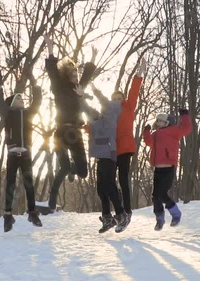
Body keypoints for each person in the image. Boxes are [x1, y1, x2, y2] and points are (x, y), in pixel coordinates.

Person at [43, 34, 97, 212]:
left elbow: (87, 76)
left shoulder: (78, 88)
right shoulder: (59, 86)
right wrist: (50, 48)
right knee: (63, 166)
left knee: (82, 172)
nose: (76, 77)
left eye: (77, 74)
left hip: (75, 133)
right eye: (73, 74)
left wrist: (93, 58)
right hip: (60, 132)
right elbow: (52, 71)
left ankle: (74, 170)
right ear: (67, 75)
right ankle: (52, 198)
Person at [0, 70, 43, 232]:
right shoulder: (8, 114)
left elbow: (37, 101)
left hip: (26, 154)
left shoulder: (28, 114)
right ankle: (8, 216)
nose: (21, 99)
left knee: (29, 184)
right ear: (13, 103)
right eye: (18, 98)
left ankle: (33, 213)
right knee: (10, 184)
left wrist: (34, 82)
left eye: (22, 98)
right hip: (13, 154)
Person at [81, 85, 128, 233]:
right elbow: (88, 110)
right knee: (101, 188)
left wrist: (96, 91)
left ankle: (121, 214)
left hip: (109, 153)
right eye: (113, 98)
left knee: (109, 184)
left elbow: (106, 104)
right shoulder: (100, 119)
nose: (114, 101)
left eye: (117, 99)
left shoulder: (112, 114)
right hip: (101, 156)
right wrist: (80, 96)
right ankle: (107, 217)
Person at [142, 108, 192, 230]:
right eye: (157, 121)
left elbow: (186, 129)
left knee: (161, 194)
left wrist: (185, 116)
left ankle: (176, 214)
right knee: (155, 196)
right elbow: (148, 142)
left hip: (168, 168)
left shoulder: (173, 131)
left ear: (167, 122)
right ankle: (159, 219)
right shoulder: (155, 134)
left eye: (161, 121)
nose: (159, 122)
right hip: (157, 169)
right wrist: (146, 131)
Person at [113, 57, 147, 226]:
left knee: (124, 179)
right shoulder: (109, 113)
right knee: (109, 182)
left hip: (125, 148)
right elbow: (99, 127)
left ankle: (127, 210)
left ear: (123, 100)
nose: (118, 101)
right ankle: (118, 210)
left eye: (120, 98)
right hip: (112, 149)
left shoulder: (128, 107)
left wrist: (139, 72)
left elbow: (134, 90)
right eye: (115, 99)